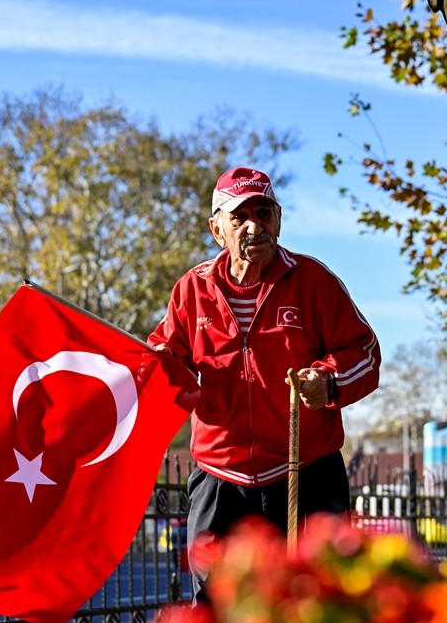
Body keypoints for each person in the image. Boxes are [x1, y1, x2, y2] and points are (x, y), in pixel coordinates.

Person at [149, 166, 381, 600]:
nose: (254, 226)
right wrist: (161, 366)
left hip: (306, 470)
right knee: (217, 605)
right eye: (240, 217)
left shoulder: (314, 281)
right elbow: (169, 365)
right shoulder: (190, 290)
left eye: (264, 213)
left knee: (318, 599)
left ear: (278, 219)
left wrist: (327, 381)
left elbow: (364, 353)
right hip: (219, 476)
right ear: (217, 229)